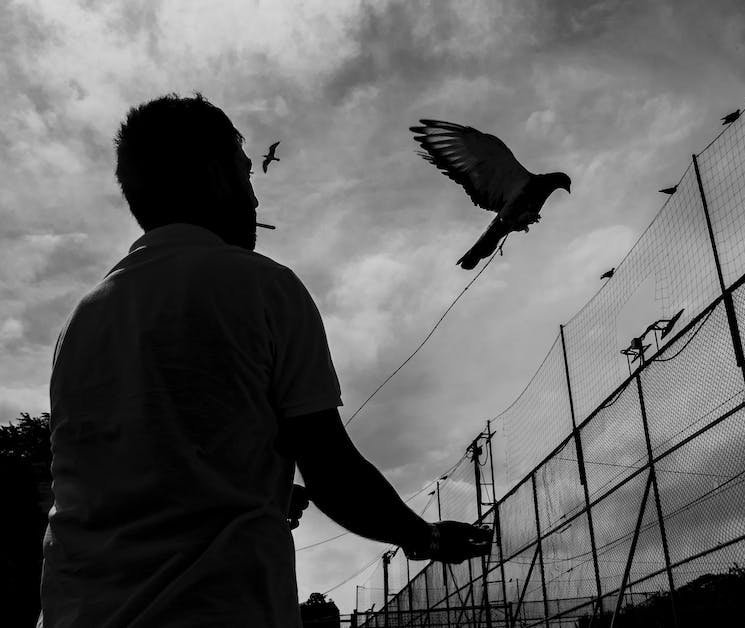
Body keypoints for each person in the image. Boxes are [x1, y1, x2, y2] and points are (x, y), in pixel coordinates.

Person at [39, 92, 492, 628]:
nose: (254, 200)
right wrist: (430, 537)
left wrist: (261, 485)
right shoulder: (264, 286)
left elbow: (133, 472)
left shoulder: (80, 322)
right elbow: (332, 471)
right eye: (245, 173)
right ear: (215, 177)